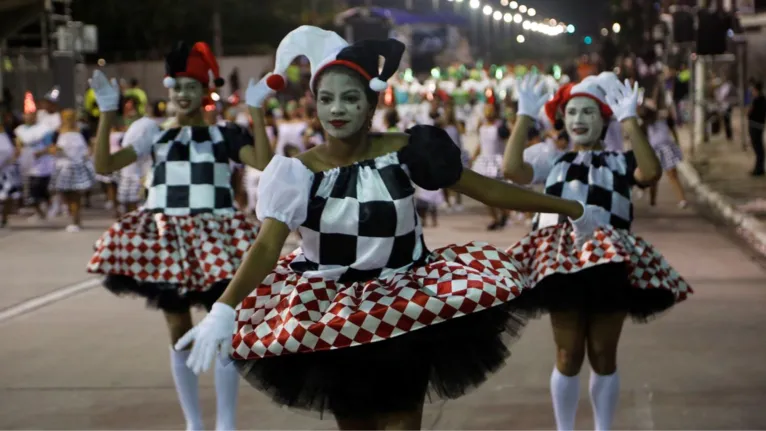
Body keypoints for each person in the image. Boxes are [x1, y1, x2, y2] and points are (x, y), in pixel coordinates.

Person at [175, 25, 605, 431]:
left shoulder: (408, 151)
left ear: (372, 102)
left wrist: (568, 206)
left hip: (404, 307)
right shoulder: (294, 172)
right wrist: (224, 308)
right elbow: (268, 246)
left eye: (349, 98)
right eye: (326, 99)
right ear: (314, 102)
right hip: (333, 316)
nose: (337, 110)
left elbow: (488, 191)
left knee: (402, 422)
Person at [85, 41, 271, 431]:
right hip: (168, 237)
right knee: (178, 330)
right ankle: (193, 423)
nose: (183, 94)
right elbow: (104, 165)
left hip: (217, 235)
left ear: (205, 91)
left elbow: (266, 164)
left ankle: (226, 423)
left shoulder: (226, 134)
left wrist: (257, 111)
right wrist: (106, 113)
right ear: (168, 89)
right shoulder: (153, 133)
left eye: (192, 86)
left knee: (222, 328)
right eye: (177, 86)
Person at [503, 73, 693, 431]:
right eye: (572, 111)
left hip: (610, 264)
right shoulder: (552, 160)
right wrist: (523, 116)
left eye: (589, 112)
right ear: (562, 119)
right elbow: (512, 169)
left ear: (604, 118)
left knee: (604, 355)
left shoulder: (620, 162)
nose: (579, 120)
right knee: (567, 354)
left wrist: (630, 119)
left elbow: (651, 172)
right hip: (562, 264)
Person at [748, 80, 765, 176]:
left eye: (753, 90)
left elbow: (756, 113)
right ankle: (758, 168)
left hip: (756, 126)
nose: (752, 92)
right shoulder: (756, 99)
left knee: (758, 148)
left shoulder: (760, 100)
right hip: (754, 125)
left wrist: (750, 114)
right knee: (757, 148)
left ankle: (759, 169)